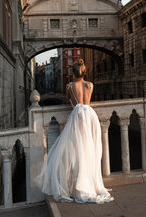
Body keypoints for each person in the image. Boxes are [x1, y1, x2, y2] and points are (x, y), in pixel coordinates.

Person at [35, 59, 113, 204]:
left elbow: (67, 100)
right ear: (84, 72)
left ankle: (77, 183)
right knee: (89, 148)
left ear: (74, 72)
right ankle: (88, 182)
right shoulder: (90, 85)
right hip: (90, 116)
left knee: (74, 150)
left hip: (77, 116)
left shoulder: (70, 86)